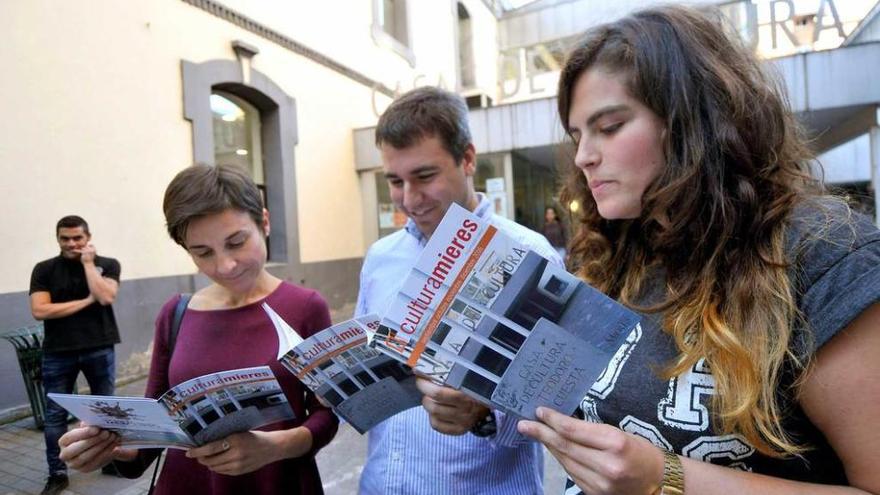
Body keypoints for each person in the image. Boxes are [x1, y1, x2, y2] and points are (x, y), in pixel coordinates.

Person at [512, 6, 880, 494]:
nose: (584, 157)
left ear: (690, 120)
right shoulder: (616, 252)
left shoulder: (823, 255)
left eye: (610, 126)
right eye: (578, 136)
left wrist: (664, 478)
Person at [57, 164, 339, 494]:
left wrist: (276, 446)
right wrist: (111, 447)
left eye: (236, 242)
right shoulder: (176, 313)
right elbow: (156, 425)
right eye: (202, 252)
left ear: (264, 221)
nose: (224, 266)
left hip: (276, 483)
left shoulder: (306, 307)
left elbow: (327, 413)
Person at [356, 86, 562, 495]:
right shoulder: (381, 257)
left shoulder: (529, 254)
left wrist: (483, 413)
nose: (410, 199)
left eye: (425, 176)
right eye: (395, 181)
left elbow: (557, 403)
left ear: (467, 159)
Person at [30, 215, 121, 495]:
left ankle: (110, 460)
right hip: (59, 352)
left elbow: (105, 296)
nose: (71, 243)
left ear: (88, 238)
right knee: (55, 415)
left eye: (77, 238)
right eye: (65, 238)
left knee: (107, 411)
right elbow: (40, 310)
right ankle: (57, 473)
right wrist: (85, 301)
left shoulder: (108, 264)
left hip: (99, 347)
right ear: (57, 239)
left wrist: (88, 264)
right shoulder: (44, 269)